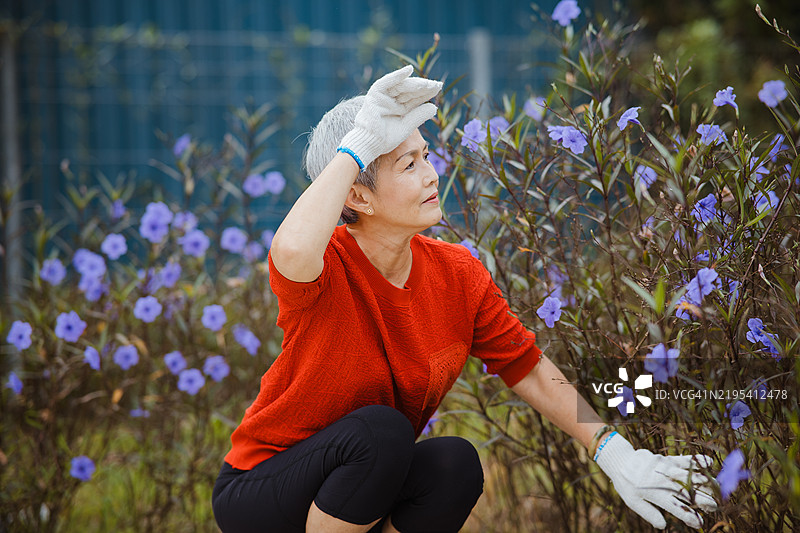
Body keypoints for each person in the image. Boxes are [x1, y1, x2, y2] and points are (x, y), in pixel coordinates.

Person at [212, 66, 718, 532]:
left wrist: (614, 451)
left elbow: (529, 367)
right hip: (263, 488)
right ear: (358, 197)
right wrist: (358, 145)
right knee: (382, 433)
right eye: (408, 164)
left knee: (453, 465)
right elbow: (293, 247)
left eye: (426, 157)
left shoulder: (456, 274)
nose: (432, 175)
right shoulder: (324, 267)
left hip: (355, 491)